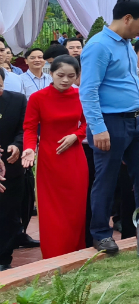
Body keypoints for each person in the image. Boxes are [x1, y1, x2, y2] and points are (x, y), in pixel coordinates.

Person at [80, 0, 139, 255]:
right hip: (110, 122)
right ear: (127, 19)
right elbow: (88, 90)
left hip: (136, 120)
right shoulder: (99, 46)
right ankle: (101, 234)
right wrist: (98, 128)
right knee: (107, 180)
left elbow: (127, 81)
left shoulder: (125, 43)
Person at [21, 55, 89, 259]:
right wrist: (29, 148)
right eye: (60, 75)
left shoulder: (81, 96)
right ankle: (54, 255)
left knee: (76, 209)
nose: (65, 80)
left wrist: (76, 136)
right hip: (50, 159)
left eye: (71, 76)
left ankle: (75, 252)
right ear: (51, 73)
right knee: (51, 210)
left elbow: (88, 124)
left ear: (77, 76)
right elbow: (30, 128)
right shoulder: (38, 98)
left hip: (75, 158)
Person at [0, 70, 29, 270]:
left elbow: (25, 128)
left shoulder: (18, 100)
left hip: (11, 163)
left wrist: (18, 144)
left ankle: (4, 258)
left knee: (9, 213)